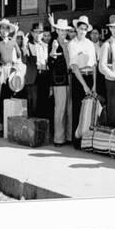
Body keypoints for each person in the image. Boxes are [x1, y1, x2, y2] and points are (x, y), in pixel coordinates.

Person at [68, 16, 97, 149]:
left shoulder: (90, 44)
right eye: (80, 28)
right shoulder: (72, 44)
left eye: (85, 29)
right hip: (78, 78)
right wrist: (84, 86)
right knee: (77, 109)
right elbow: (74, 66)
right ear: (76, 29)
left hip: (90, 76)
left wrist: (94, 84)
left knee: (90, 109)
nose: (82, 31)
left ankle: (87, 140)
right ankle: (77, 140)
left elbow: (94, 65)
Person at [0, 18, 21, 135]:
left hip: (11, 70)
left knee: (9, 97)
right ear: (0, 30)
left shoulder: (13, 42)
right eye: (2, 28)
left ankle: (9, 126)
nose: (4, 31)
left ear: (9, 31)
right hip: (0, 70)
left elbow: (19, 55)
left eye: (7, 28)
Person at [48, 17, 73, 146]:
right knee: (60, 109)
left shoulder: (69, 43)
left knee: (69, 108)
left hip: (70, 78)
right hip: (59, 80)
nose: (63, 32)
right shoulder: (53, 43)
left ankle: (69, 136)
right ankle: (59, 138)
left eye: (65, 30)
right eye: (61, 30)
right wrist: (53, 51)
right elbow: (50, 63)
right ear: (57, 30)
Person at [24, 22, 49, 118]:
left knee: (43, 104)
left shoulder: (45, 45)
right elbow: (24, 60)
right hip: (32, 78)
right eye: (36, 32)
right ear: (32, 32)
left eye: (41, 32)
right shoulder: (27, 45)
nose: (39, 34)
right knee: (32, 104)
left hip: (44, 77)